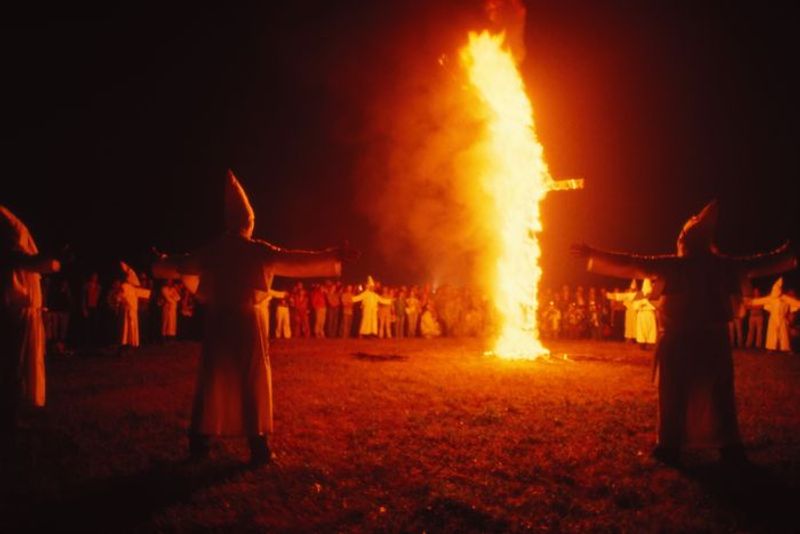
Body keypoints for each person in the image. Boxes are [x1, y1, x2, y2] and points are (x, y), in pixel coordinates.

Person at [152, 170, 356, 466]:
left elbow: (181, 263)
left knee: (214, 377)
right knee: (252, 379)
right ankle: (257, 444)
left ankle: (201, 440)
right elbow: (295, 260)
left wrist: (158, 262)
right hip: (248, 321)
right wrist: (333, 256)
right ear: (248, 222)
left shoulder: (213, 249)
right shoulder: (257, 250)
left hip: (220, 321)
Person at [572, 200, 797, 466]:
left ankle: (672, 446)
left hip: (680, 340)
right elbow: (759, 263)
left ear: (686, 239)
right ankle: (728, 446)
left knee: (674, 393)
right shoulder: (722, 266)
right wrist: (786, 253)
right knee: (719, 393)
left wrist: (593, 253)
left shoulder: (675, 266)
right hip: (713, 341)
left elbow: (632, 262)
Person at [0, 205, 60, 444]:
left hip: (20, 308)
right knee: (12, 364)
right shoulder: (9, 238)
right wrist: (51, 261)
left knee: (16, 364)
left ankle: (11, 415)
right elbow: (22, 259)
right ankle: (9, 420)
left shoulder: (10, 226)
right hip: (15, 309)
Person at [749, 278, 800, 353]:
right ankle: (771, 348)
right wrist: (749, 302)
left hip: (782, 318)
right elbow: (759, 301)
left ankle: (786, 348)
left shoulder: (785, 298)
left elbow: (794, 302)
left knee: (784, 334)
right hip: (773, 318)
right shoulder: (771, 298)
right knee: (772, 333)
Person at [118, 262, 152, 351]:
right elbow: (121, 297)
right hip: (127, 310)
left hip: (132, 311)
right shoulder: (124, 286)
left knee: (131, 327)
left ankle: (130, 344)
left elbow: (145, 293)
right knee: (126, 328)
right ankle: (125, 344)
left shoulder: (132, 288)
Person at [81, 272, 102, 347]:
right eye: (93, 276)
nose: (94, 278)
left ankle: (94, 343)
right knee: (87, 326)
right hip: (88, 307)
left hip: (95, 308)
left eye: (96, 276)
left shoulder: (98, 287)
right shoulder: (86, 286)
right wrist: (84, 309)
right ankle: (87, 343)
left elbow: (99, 298)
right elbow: (83, 298)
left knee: (95, 325)